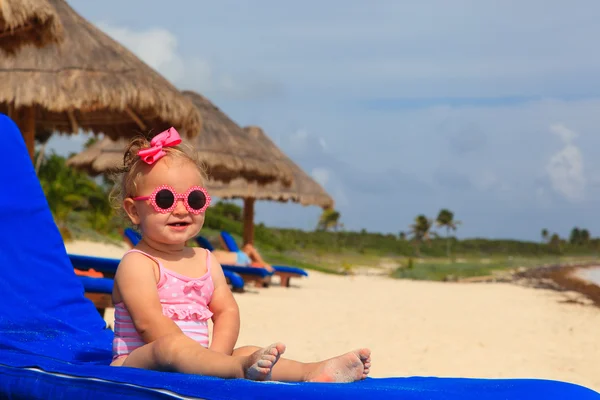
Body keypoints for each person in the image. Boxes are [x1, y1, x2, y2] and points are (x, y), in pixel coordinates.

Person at [109, 127, 371, 382]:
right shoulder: (138, 263)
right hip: (139, 364)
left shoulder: (205, 260)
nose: (181, 210)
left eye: (194, 200)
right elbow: (149, 323)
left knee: (247, 352)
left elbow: (226, 310)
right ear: (134, 211)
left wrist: (217, 357)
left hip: (197, 360)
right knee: (170, 346)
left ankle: (312, 371)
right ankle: (237, 369)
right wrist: (204, 361)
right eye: (164, 200)